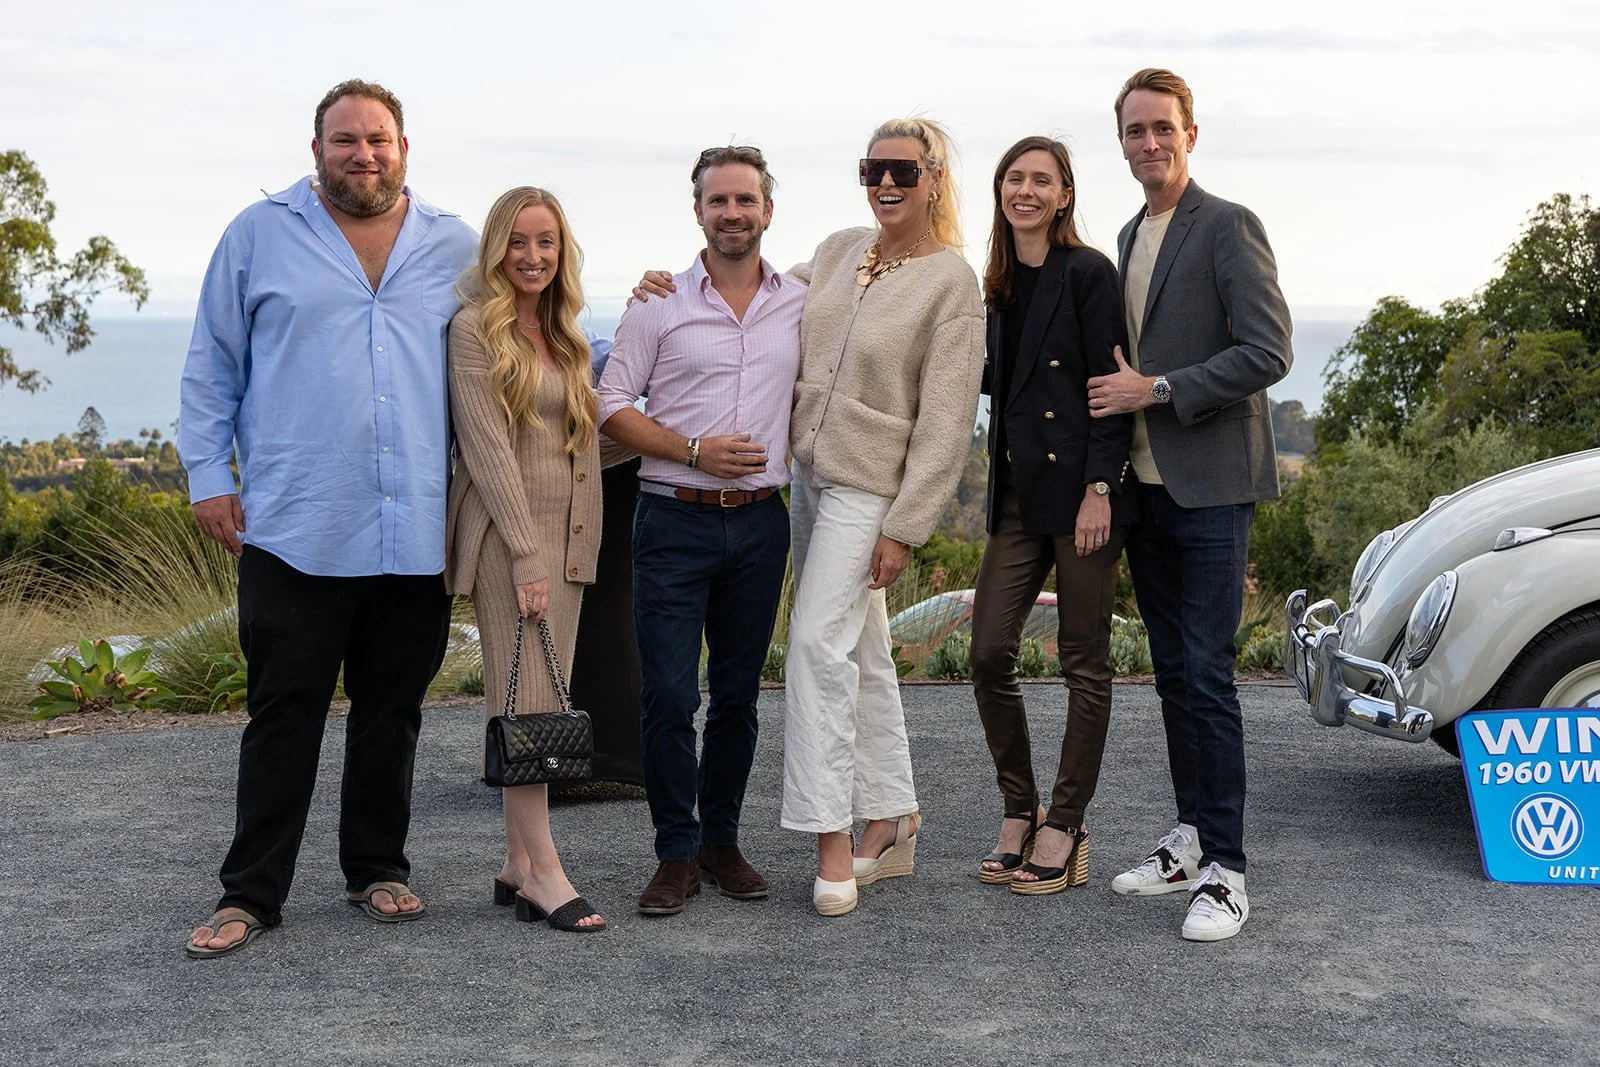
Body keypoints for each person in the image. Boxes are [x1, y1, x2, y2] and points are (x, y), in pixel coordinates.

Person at [181, 80, 478, 958]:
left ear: (404, 147)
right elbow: (211, 366)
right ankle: (251, 893)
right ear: (317, 151)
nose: (364, 155)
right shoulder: (258, 234)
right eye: (345, 141)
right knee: (284, 710)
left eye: (378, 140)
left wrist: (646, 317)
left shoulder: (455, 244)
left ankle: (377, 867)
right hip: (295, 520)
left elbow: (533, 328)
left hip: (415, 522)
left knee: (393, 710)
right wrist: (208, 474)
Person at [1088, 68, 1293, 941]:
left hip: (1212, 487)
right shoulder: (1130, 234)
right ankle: (1189, 837)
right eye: (1134, 131)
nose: (1149, 143)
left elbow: (1270, 349)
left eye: (1162, 128)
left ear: (1191, 133)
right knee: (1172, 672)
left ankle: (1228, 870)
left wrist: (1161, 387)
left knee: (1207, 676)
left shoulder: (1228, 225)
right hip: (1150, 495)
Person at [781, 119, 985, 916]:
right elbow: (759, 293)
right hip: (810, 478)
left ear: (935, 177)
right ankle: (893, 813)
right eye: (872, 168)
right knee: (861, 650)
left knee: (813, 644)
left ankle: (832, 835)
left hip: (871, 490)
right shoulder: (837, 250)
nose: (885, 182)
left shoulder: (951, 282)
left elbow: (945, 420)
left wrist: (907, 524)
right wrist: (677, 282)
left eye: (903, 168)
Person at [597, 146, 803, 918]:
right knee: (669, 694)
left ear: (767, 211)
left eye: (745, 200)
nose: (732, 213)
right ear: (698, 213)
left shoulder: (799, 301)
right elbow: (609, 402)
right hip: (673, 518)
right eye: (718, 201)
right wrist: (692, 449)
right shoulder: (658, 302)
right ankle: (675, 853)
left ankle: (722, 842)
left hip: (760, 525)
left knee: (741, 696)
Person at [969, 137, 1135, 896]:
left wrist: (1101, 486)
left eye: (1042, 180)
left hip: (1080, 499)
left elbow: (1110, 386)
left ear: (1064, 196)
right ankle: (1019, 804)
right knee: (987, 652)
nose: (1026, 191)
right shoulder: (997, 281)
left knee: (1082, 663)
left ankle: (1065, 821)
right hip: (1015, 499)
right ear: (1001, 190)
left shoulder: (1088, 272)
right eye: (1015, 178)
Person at [445, 186, 613, 933]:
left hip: (567, 538)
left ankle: (517, 864)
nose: (533, 256)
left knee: (529, 698)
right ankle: (546, 870)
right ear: (496, 250)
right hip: (513, 540)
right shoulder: (474, 331)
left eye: (546, 242)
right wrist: (523, 555)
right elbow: (485, 451)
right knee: (534, 704)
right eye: (519, 242)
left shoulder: (566, 334)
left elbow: (581, 444)